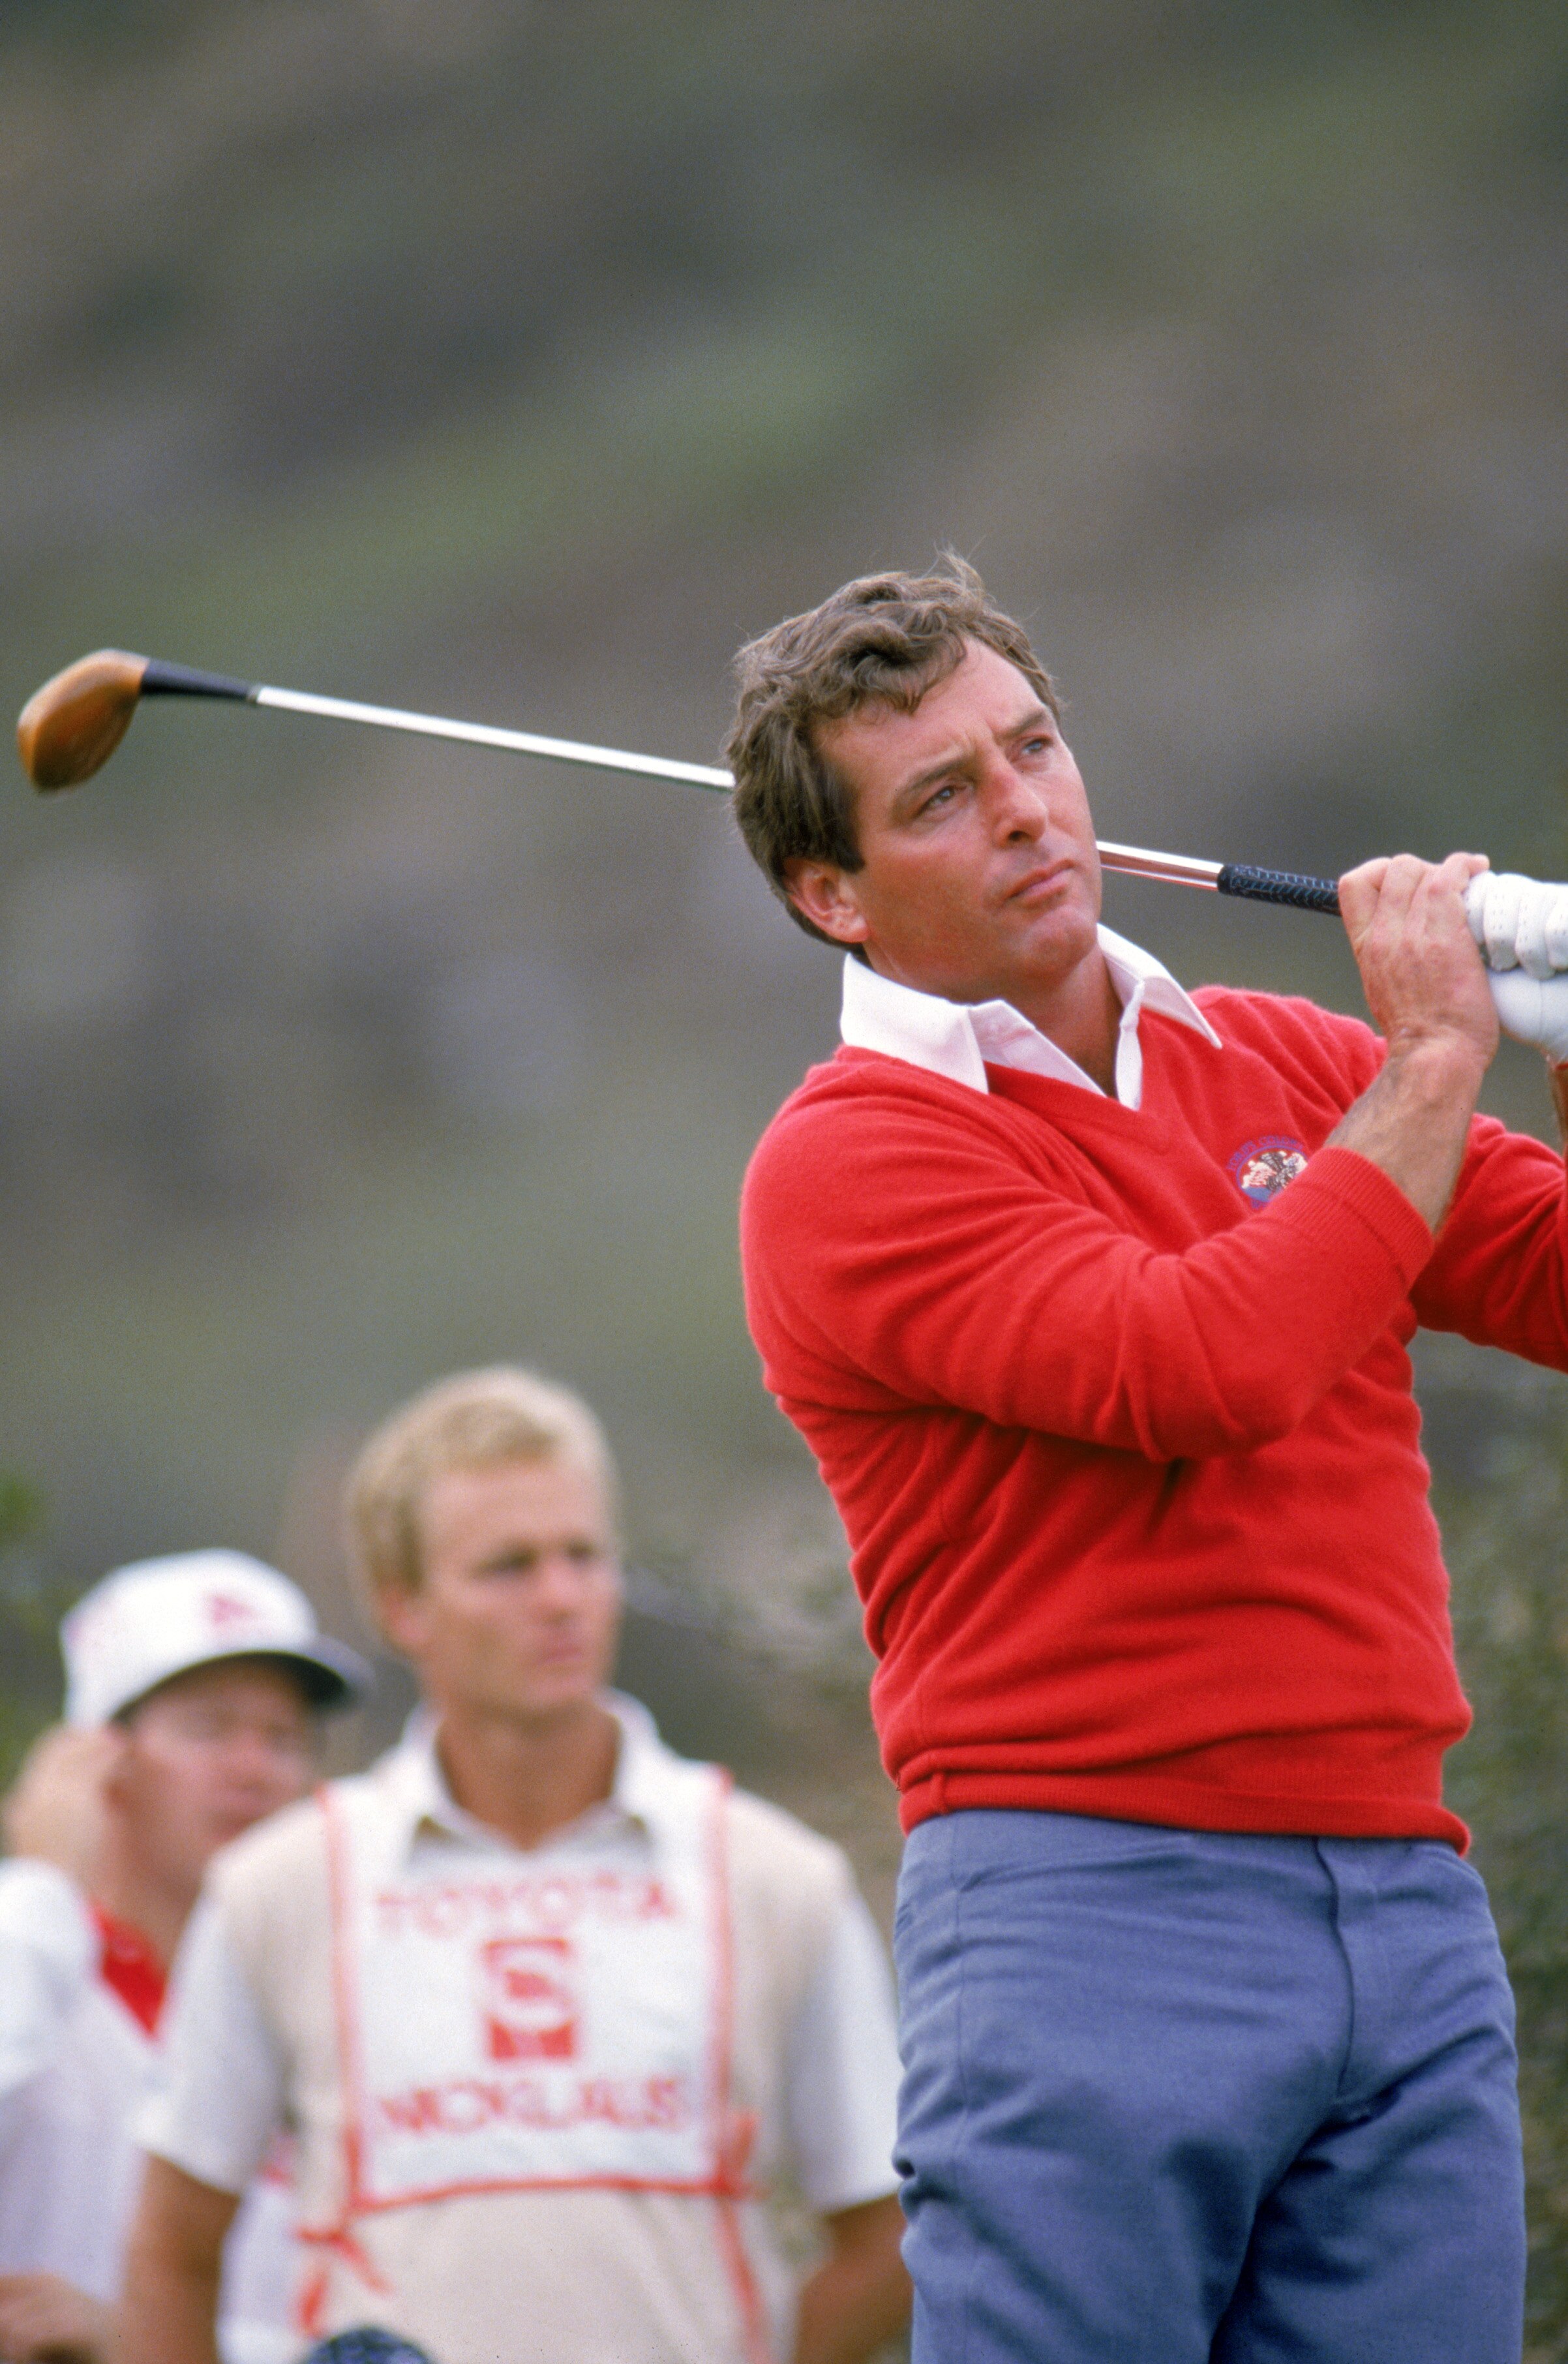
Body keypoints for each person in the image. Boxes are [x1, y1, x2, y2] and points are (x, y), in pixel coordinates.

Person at [727, 558, 1568, 2363]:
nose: (1024, 809)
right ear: (830, 893)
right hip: (1084, 1908)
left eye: (1031, 748)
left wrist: (1557, 1035)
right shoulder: (847, 1159)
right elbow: (1205, 1362)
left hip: (1403, 1902)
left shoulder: (1280, 1060)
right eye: (940, 796)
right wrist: (1436, 1051)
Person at [123, 1366, 910, 2364]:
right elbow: (171, 2252)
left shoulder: (775, 1876)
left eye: (585, 1556)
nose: (562, 1599)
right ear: (403, 1607)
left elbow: (890, 2239)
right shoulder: (281, 1888)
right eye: (508, 1567)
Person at [0, 1549, 369, 2364]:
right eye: (209, 1728)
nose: (253, 1770)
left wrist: (135, 2342)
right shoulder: (29, 1959)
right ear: (96, 1763)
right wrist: (39, 1892)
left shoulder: (337, 2008)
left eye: (283, 1738)